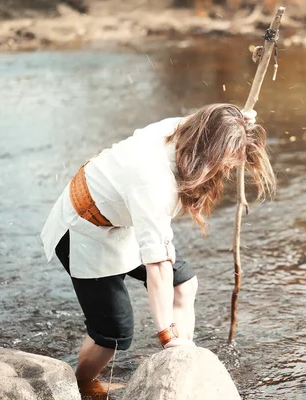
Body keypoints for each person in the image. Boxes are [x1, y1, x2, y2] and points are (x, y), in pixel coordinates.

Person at [40, 103, 275, 391]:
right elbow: (159, 268)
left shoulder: (189, 130)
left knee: (184, 283)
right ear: (210, 151)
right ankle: (82, 387)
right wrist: (165, 333)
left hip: (122, 217)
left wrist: (239, 117)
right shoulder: (154, 182)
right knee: (112, 334)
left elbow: (213, 119)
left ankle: (183, 356)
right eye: (225, 160)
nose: (227, 168)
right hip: (84, 229)